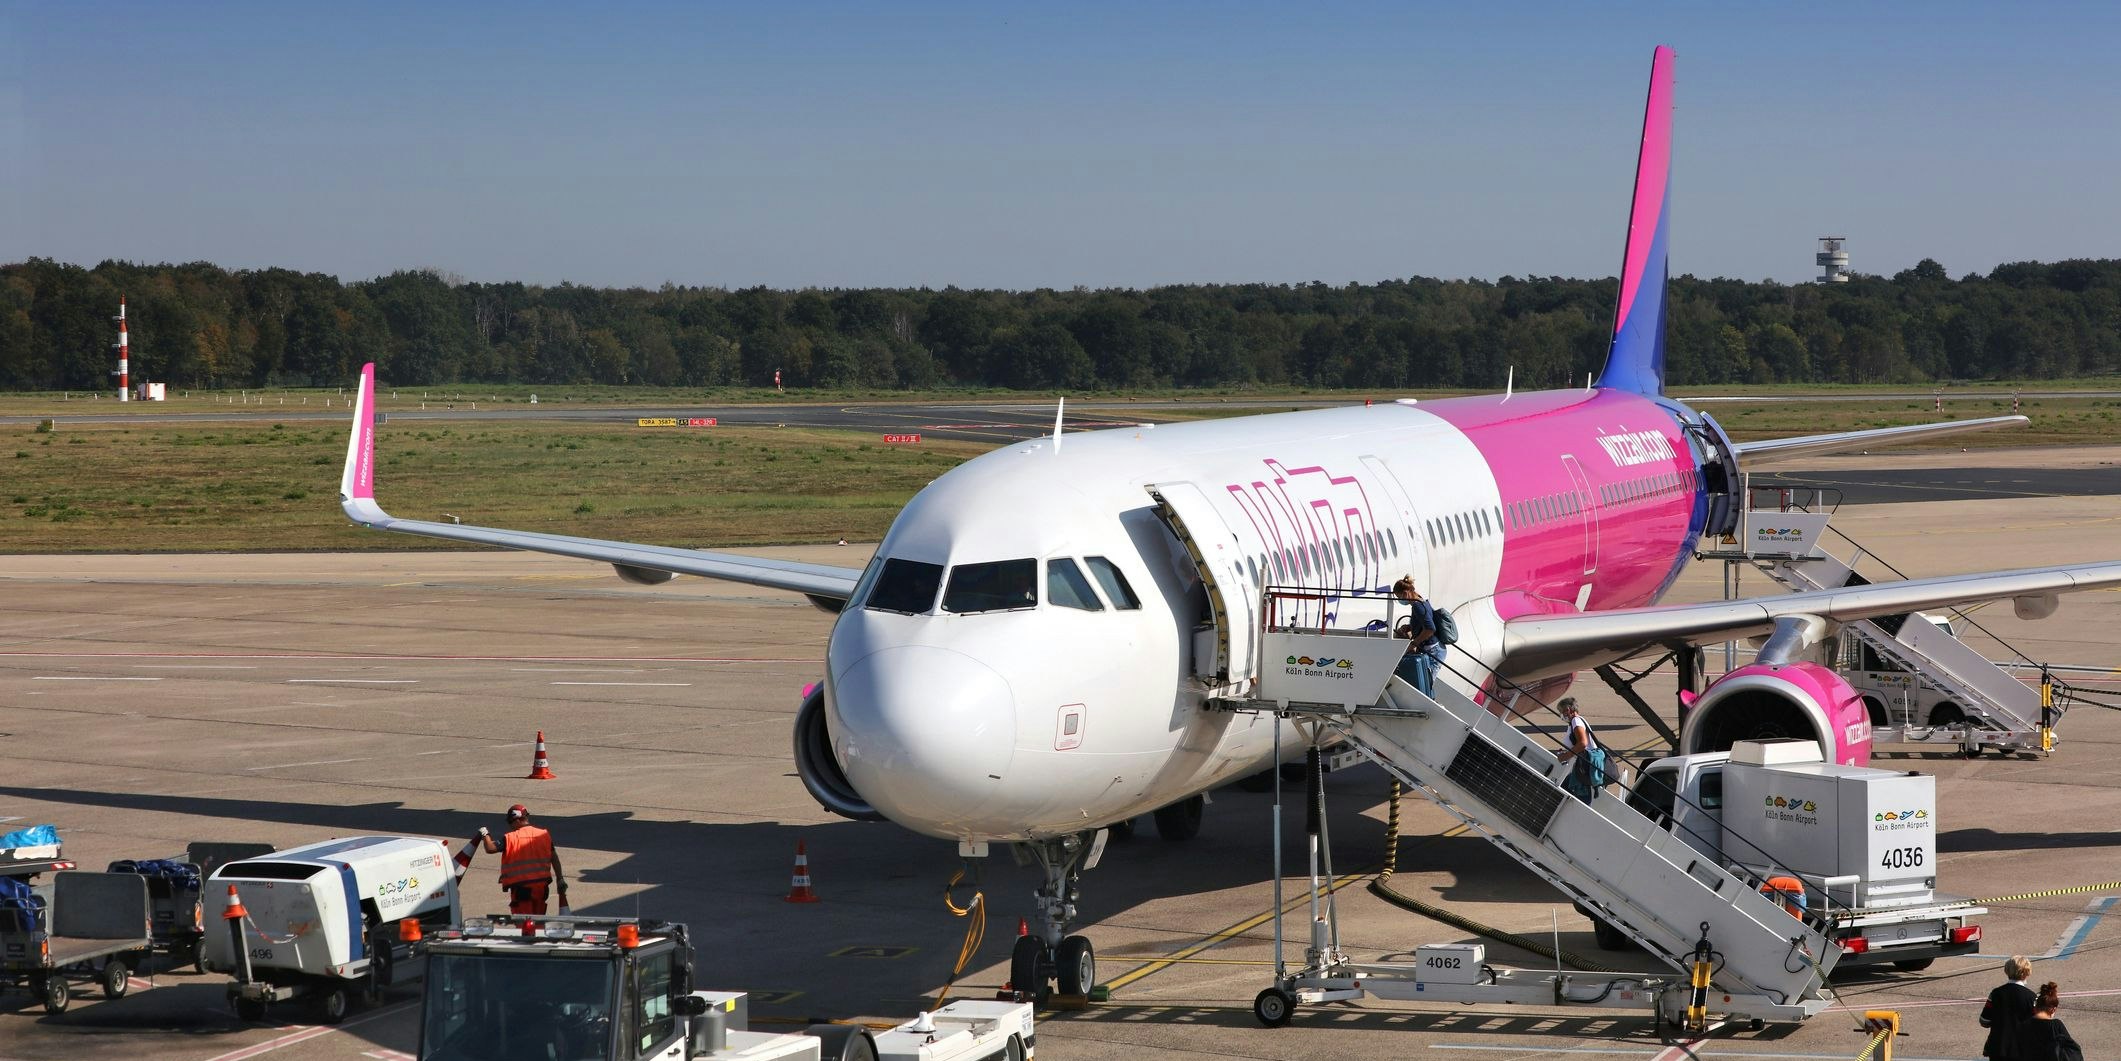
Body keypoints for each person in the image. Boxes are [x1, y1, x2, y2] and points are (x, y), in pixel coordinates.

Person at [479, 803, 568, 916]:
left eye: (510, 822)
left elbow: (490, 848)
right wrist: (560, 879)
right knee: (538, 921)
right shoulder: (543, 835)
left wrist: (485, 834)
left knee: (524, 924)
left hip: (521, 889)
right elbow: (554, 858)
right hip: (542, 888)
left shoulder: (510, 838)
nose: (510, 826)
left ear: (517, 820)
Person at [1981, 955, 2037, 1060]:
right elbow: (2037, 1025)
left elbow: (1984, 1021)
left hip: (1998, 1048)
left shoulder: (1996, 993)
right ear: (2026, 973)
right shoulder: (2032, 997)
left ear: (2007, 970)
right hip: (2022, 1050)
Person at [1391, 576, 1438, 696]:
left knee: (1427, 685)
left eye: (1399, 597)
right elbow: (1424, 621)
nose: (1399, 600)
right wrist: (1410, 627)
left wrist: (1414, 643)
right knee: (1426, 682)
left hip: (1432, 649)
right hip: (1431, 647)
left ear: (1405, 593)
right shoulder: (1419, 600)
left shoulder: (1417, 606)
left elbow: (1430, 629)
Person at [2012, 981, 2083, 1061]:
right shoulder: (2056, 1025)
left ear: (2036, 1008)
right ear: (2053, 1009)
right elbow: (2071, 1050)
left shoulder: (2023, 1026)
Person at [1555, 698, 1606, 803]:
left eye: (1561, 711)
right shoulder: (1577, 721)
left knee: (1579, 792)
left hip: (1585, 765)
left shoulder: (1576, 721)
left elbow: (1583, 743)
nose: (1561, 715)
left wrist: (1565, 756)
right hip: (1584, 764)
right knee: (1566, 786)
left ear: (1568, 710)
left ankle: (1583, 814)